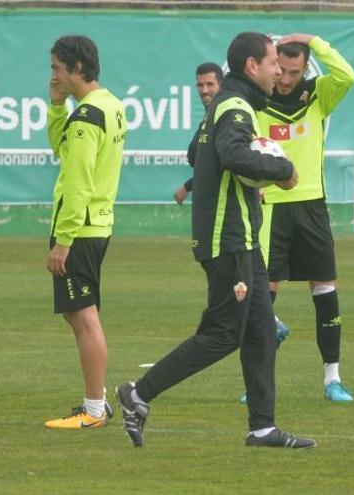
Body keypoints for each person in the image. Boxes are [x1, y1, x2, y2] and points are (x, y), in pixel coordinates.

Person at [116, 32, 313, 449]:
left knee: (260, 330)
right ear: (251, 66)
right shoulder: (236, 107)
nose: (279, 70)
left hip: (238, 238)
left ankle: (262, 428)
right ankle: (139, 393)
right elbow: (235, 156)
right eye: (273, 62)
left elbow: (197, 153)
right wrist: (281, 168)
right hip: (229, 239)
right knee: (225, 333)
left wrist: (248, 168)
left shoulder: (225, 104)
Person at [254, 33, 354, 403]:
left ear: (305, 67)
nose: (286, 78)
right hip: (270, 207)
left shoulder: (317, 94)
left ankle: (333, 379)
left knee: (325, 291)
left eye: (295, 71)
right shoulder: (258, 98)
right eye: (281, 69)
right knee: (263, 293)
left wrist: (316, 41)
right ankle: (258, 382)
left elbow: (347, 76)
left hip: (312, 204)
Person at [43, 35, 127, 429]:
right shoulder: (109, 105)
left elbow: (78, 181)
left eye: (57, 68)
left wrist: (63, 240)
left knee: (84, 316)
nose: (53, 76)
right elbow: (62, 150)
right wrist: (57, 107)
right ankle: (98, 401)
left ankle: (94, 410)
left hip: (80, 229)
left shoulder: (86, 118)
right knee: (81, 316)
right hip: (98, 225)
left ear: (77, 68)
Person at [173, 62, 222, 205]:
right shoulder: (210, 114)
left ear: (221, 84)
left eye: (210, 84)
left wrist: (187, 186)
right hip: (209, 199)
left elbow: (219, 165)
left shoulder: (222, 115)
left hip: (221, 202)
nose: (204, 90)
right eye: (200, 85)